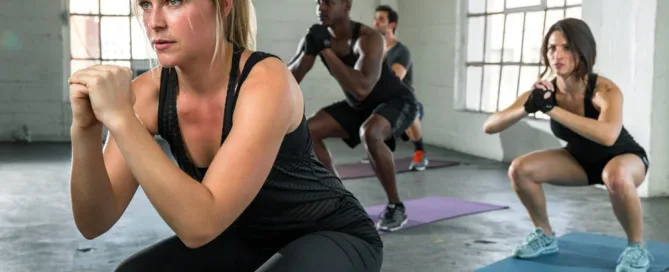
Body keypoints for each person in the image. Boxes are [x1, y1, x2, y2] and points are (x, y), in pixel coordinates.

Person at [67, 0, 383, 271]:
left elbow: (199, 226)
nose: (154, 21)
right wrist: (85, 131)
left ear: (224, 5)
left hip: (331, 232)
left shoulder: (266, 81)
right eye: (146, 4)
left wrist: (121, 118)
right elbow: (94, 222)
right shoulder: (148, 94)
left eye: (175, 1)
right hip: (246, 236)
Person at [482, 18, 653, 271]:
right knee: (520, 169)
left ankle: (637, 248)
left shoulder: (604, 89)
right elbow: (490, 126)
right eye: (552, 48)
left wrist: (551, 109)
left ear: (583, 51)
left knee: (614, 175)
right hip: (578, 161)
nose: (557, 55)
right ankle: (545, 235)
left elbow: (607, 136)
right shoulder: (546, 91)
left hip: (625, 159)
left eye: (567, 47)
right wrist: (528, 107)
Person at [287, 0, 418, 232]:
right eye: (318, 2)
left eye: (328, 2)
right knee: (308, 131)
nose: (321, 8)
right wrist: (309, 48)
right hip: (359, 107)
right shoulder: (318, 36)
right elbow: (291, 78)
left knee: (371, 133)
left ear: (346, 6)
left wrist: (325, 49)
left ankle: (396, 206)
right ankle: (340, 200)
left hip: (396, 101)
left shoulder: (369, 38)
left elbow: (362, 87)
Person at [366, 4, 428, 171]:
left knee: (410, 112)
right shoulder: (373, 50)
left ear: (391, 25)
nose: (375, 23)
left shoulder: (402, 52)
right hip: (384, 101)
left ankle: (420, 153)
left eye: (381, 20)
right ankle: (375, 149)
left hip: (404, 101)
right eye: (375, 19)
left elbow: (394, 80)